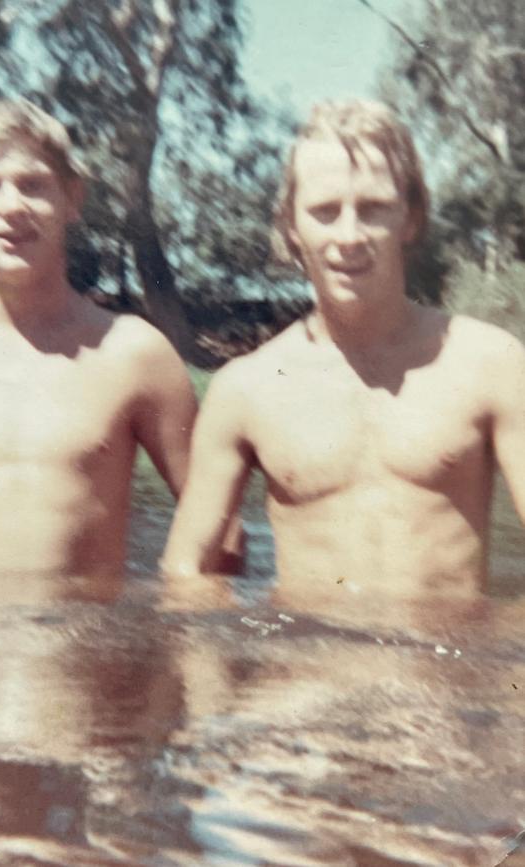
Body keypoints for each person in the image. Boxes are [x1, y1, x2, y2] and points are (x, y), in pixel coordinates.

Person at [163, 99, 525, 602]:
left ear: (412, 217)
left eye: (373, 209)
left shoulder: (492, 365)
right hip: (301, 677)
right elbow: (185, 576)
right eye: (325, 212)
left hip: (442, 675)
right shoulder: (245, 390)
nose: (349, 236)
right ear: (292, 226)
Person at [0, 97, 197, 578]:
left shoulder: (135, 355)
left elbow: (213, 530)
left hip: (83, 649)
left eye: (33, 185)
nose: (11, 206)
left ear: (72, 198)